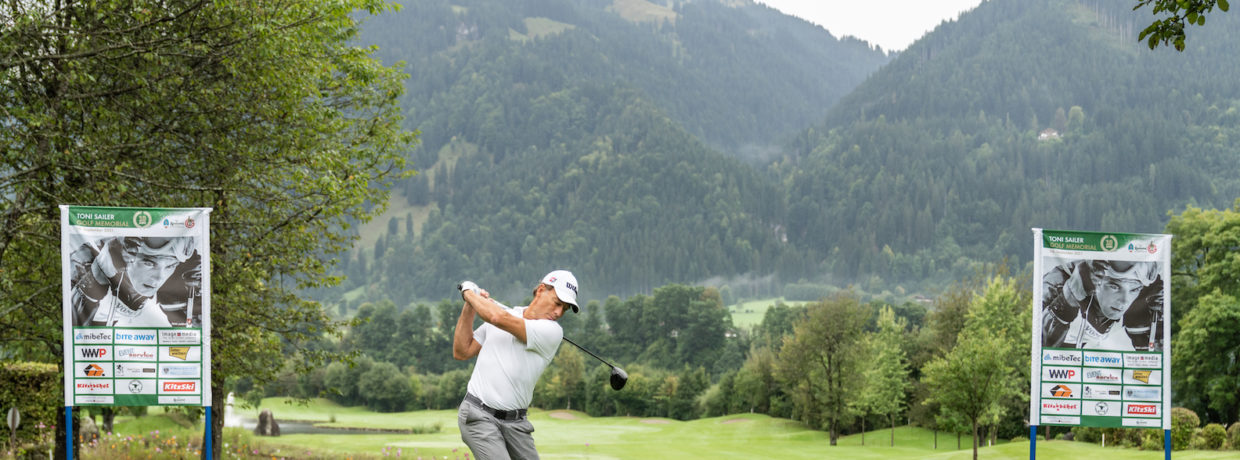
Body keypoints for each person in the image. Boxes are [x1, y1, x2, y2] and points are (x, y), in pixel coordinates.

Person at [453, 270, 579, 460]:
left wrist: (469, 292)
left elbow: (497, 318)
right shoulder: (506, 314)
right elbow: (462, 351)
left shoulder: (551, 332)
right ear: (541, 290)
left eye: (565, 309)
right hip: (478, 415)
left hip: (517, 424)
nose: (559, 312)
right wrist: (470, 306)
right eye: (558, 303)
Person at [71, 236, 197, 327]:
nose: (159, 278)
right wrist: (99, 272)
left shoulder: (187, 271)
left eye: (170, 266)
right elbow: (71, 324)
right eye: (148, 263)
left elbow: (192, 337)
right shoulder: (87, 257)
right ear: (127, 253)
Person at [1042, 259, 1163, 350]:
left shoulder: (1143, 297)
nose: (1124, 301)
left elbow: (1151, 367)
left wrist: (1154, 329)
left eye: (1134, 289)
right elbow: (1035, 349)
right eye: (1114, 287)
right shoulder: (1055, 283)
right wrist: (1066, 301)